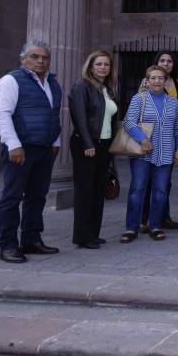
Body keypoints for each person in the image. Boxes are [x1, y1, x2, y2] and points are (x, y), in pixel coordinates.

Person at [0, 40, 62, 263]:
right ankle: (8, 245)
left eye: (45, 57)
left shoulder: (52, 84)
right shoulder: (11, 80)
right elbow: (2, 114)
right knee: (12, 197)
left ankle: (31, 240)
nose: (41, 61)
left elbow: (54, 115)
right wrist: (13, 145)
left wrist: (56, 142)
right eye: (35, 57)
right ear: (23, 59)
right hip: (20, 149)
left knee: (37, 196)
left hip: (44, 148)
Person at [122, 65, 178, 243]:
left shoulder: (173, 102)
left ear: (166, 81)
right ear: (147, 80)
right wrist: (143, 139)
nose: (157, 81)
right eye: (153, 78)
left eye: (160, 78)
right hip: (142, 153)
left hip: (165, 153)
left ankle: (155, 225)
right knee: (137, 189)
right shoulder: (139, 99)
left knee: (161, 191)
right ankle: (131, 228)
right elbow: (129, 122)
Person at [69, 50, 118, 249]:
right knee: (85, 190)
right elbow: (79, 117)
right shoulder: (82, 86)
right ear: (90, 66)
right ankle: (82, 236)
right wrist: (88, 144)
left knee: (98, 189)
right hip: (86, 144)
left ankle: (93, 233)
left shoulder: (108, 89)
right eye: (98, 64)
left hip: (104, 144)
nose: (102, 68)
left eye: (106, 64)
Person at [140, 51, 178, 231]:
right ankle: (144, 220)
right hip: (150, 139)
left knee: (165, 182)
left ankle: (162, 217)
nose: (166, 63)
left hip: (169, 139)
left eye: (169, 61)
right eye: (162, 60)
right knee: (148, 182)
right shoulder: (147, 82)